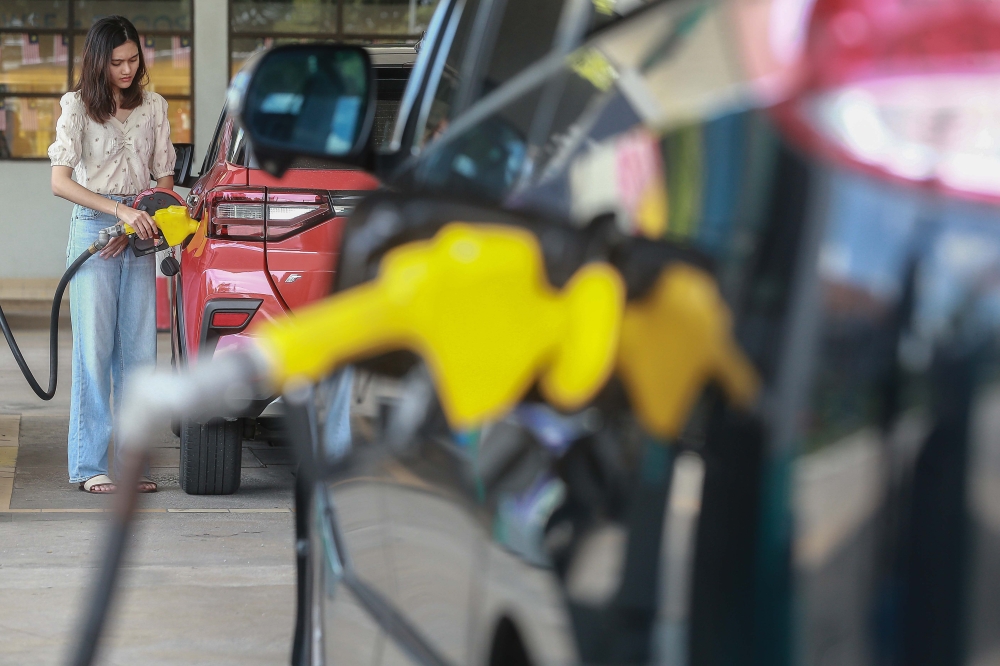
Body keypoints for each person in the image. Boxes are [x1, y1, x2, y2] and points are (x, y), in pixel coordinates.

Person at [48, 16, 175, 494]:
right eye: (117, 62)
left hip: (141, 231)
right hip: (93, 235)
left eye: (133, 59)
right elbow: (60, 182)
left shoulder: (155, 107)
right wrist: (117, 213)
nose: (127, 70)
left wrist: (139, 217)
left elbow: (164, 178)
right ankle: (88, 465)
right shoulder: (77, 107)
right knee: (94, 352)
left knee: (140, 354)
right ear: (98, 62)